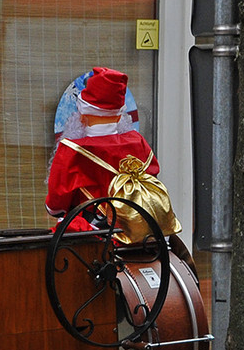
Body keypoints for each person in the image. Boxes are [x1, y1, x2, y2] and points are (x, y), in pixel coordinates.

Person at [45, 67, 179, 243]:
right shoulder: (137, 141)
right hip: (140, 228)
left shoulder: (71, 149)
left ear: (83, 115)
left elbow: (55, 205)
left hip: (95, 235)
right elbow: (153, 172)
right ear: (119, 117)